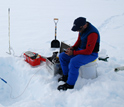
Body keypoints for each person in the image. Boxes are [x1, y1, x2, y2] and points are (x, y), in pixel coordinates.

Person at [57, 17, 100, 91]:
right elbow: (79, 40)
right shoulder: (82, 29)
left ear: (84, 26)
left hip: (91, 54)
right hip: (81, 50)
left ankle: (70, 84)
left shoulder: (92, 33)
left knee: (74, 62)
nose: (77, 31)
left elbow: (88, 51)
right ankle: (66, 76)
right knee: (62, 56)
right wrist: (73, 48)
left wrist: (73, 53)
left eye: (78, 29)